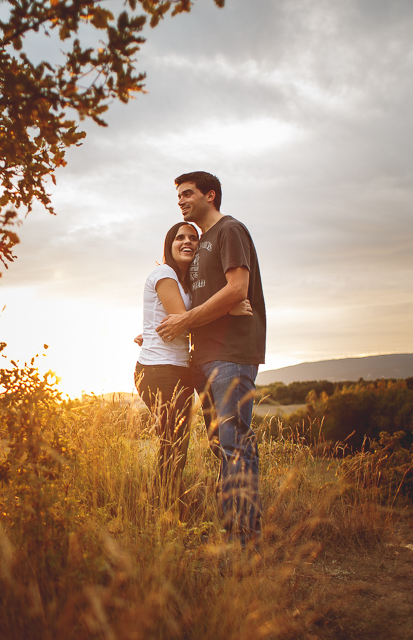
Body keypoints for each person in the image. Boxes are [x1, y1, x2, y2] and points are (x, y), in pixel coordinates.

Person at [157, 171, 267, 546]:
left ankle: (244, 539)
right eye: (178, 196)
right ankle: (230, 529)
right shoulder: (202, 244)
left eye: (187, 194)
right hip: (203, 358)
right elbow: (198, 300)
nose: (181, 201)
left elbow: (238, 289)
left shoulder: (230, 231)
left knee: (236, 443)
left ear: (210, 195)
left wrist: (188, 319)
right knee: (223, 446)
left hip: (231, 355)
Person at [135, 222, 251, 512]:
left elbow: (176, 320)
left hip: (178, 370)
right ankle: (164, 511)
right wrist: (228, 308)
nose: (187, 242)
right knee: (172, 444)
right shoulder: (164, 273)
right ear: (169, 244)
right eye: (180, 237)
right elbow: (183, 319)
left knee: (184, 441)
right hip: (159, 371)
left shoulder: (185, 282)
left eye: (193, 238)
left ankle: (185, 502)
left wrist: (148, 331)